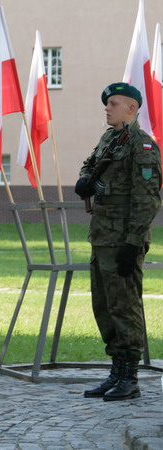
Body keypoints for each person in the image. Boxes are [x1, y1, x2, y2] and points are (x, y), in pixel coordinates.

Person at [75, 82, 162, 402]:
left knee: (125, 308)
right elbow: (90, 163)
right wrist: (85, 179)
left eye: (113, 103)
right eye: (107, 103)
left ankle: (130, 377)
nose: (107, 108)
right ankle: (116, 370)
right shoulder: (110, 139)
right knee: (105, 306)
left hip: (123, 241)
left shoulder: (142, 145)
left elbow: (148, 199)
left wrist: (132, 242)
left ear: (132, 108)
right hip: (101, 238)